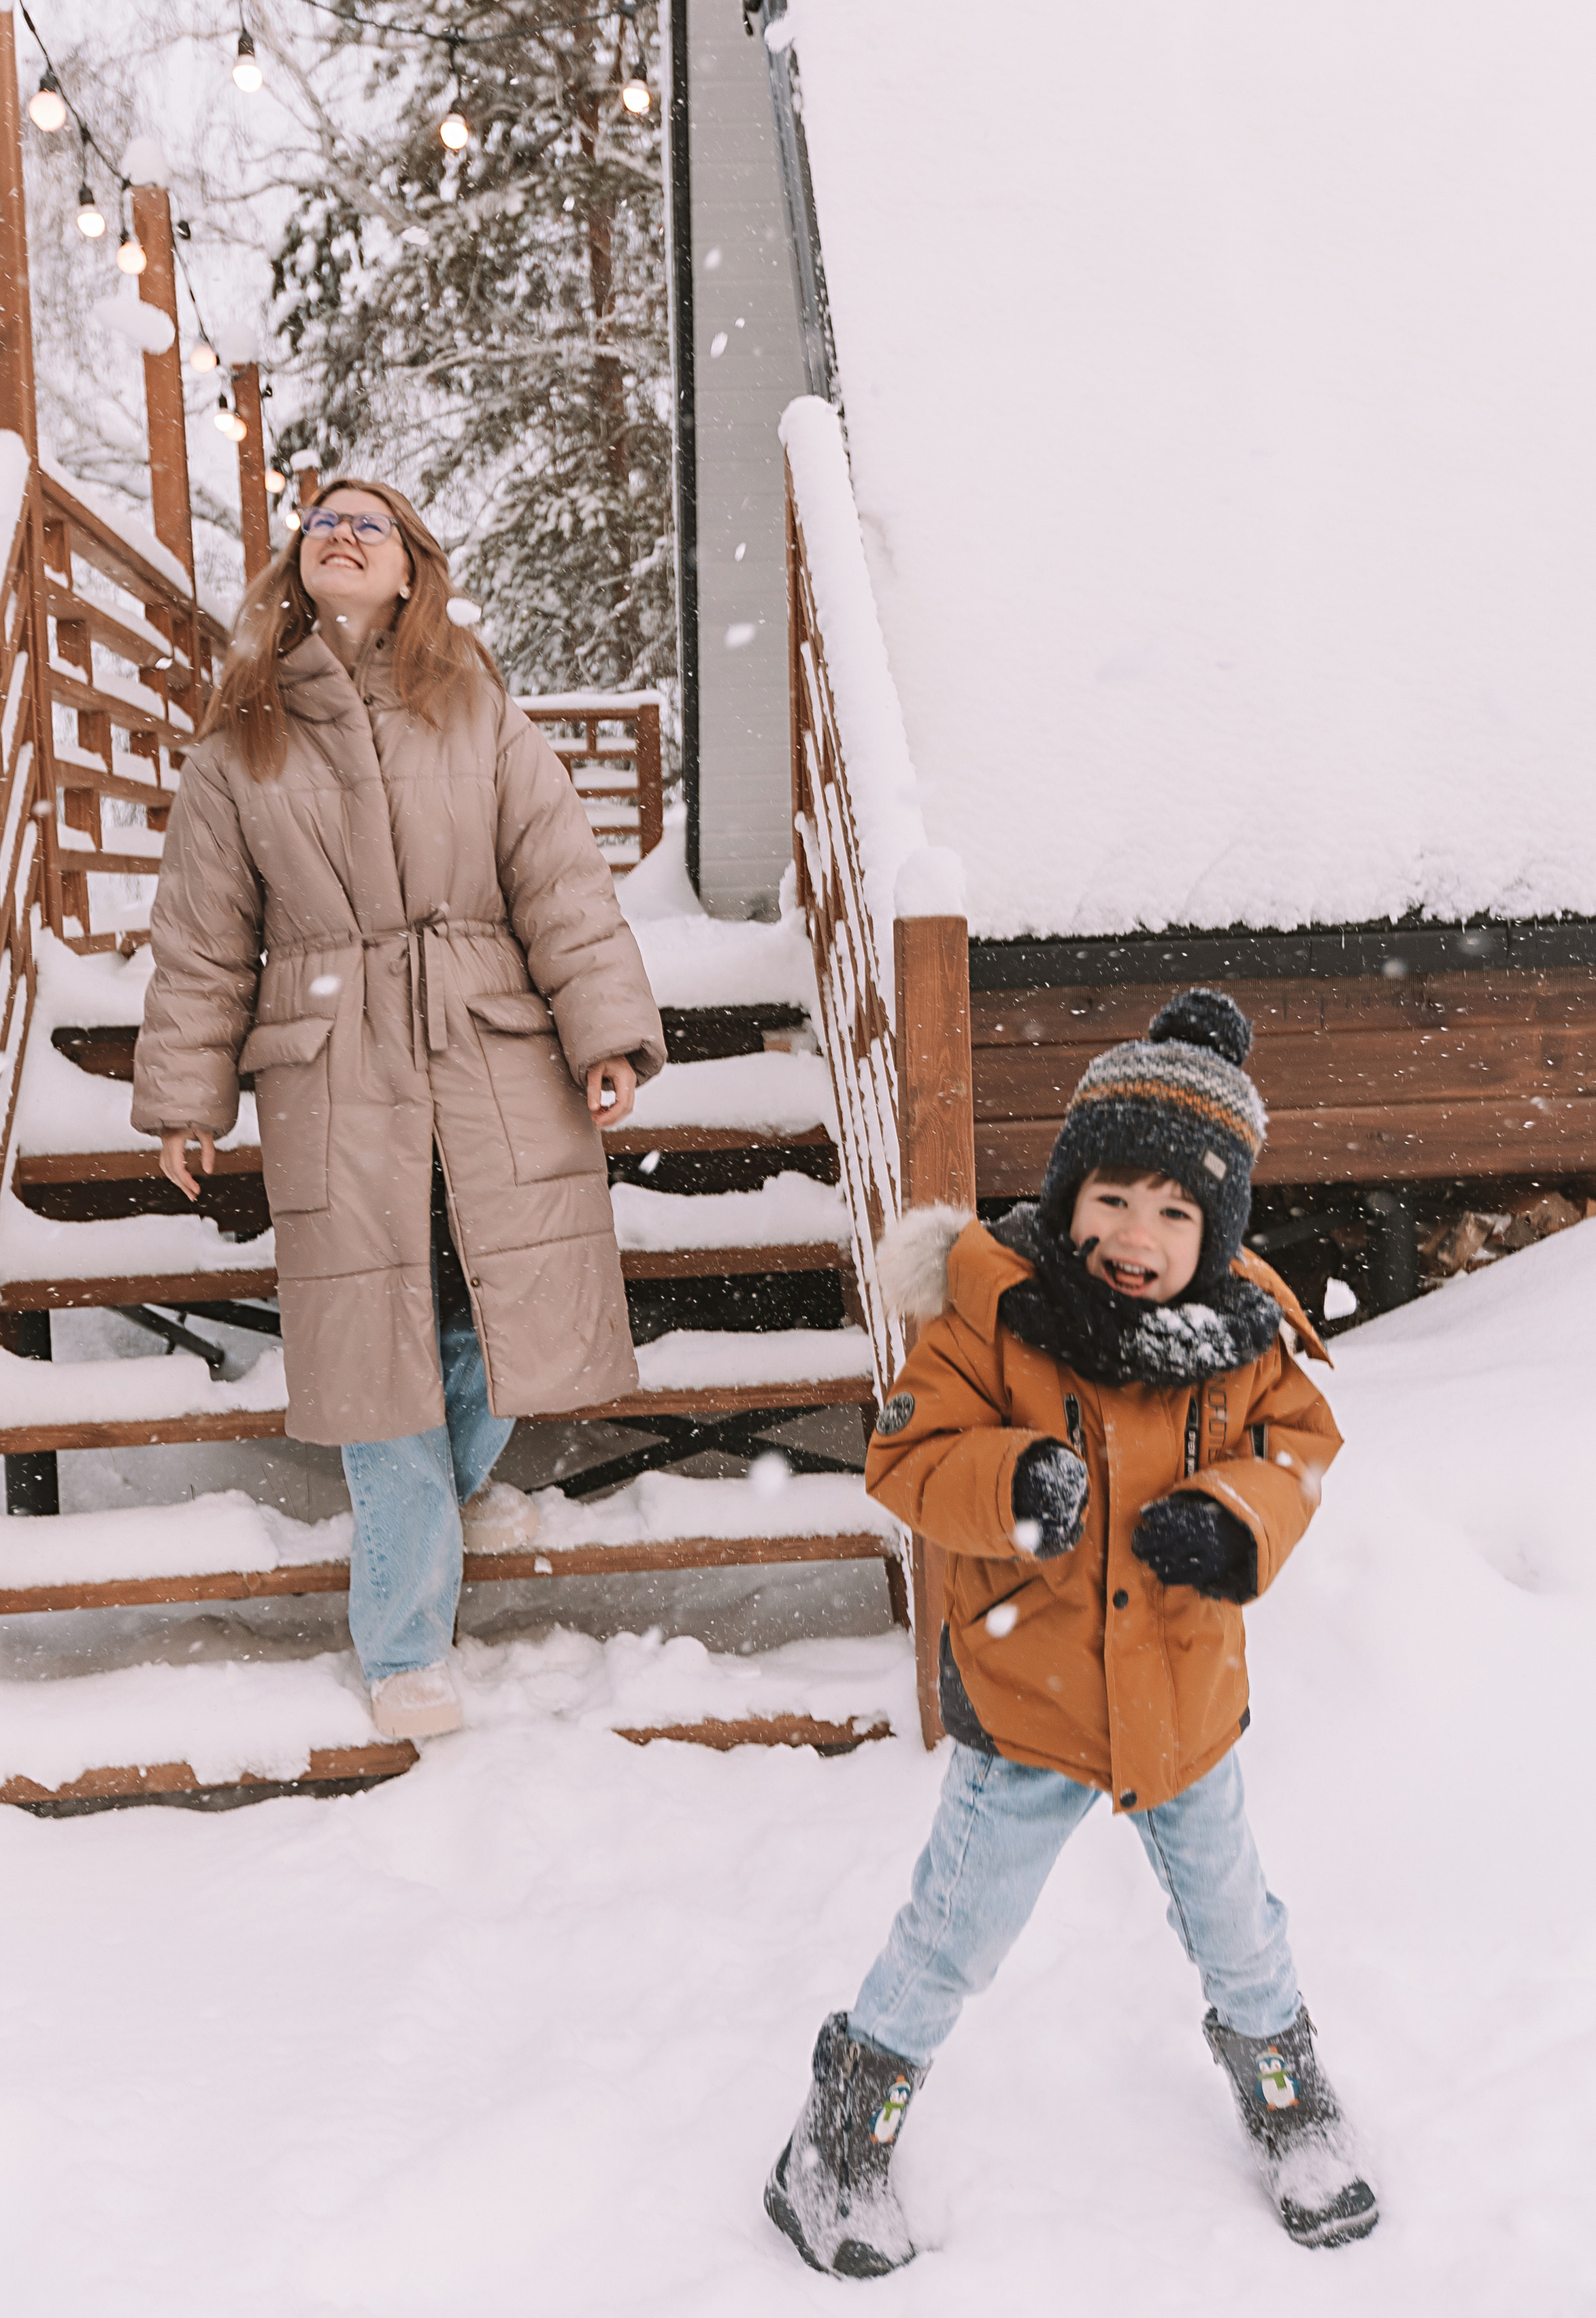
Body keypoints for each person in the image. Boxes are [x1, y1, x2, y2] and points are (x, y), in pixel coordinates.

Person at [764, 989, 1378, 2275]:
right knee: (958, 1927)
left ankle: (1289, 2096)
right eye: (1112, 1198)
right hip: (1033, 1696)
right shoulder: (995, 1309)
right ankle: (841, 2127)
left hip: (1186, 1694)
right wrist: (1012, 1482)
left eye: (1174, 1212)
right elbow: (906, 1458)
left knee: (1235, 1918)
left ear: (1216, 1231)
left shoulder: (1242, 1334)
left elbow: (1299, 1452)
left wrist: (1236, 1519)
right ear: (1067, 1190)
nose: (1136, 1237)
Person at [131, 480, 665, 1740]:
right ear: (296, 568)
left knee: (497, 1304)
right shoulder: (243, 736)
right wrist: (186, 1097)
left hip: (491, 1046)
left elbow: (563, 885)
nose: (342, 533)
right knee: (379, 1346)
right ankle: (406, 1637)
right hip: (338, 1063)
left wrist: (606, 1034)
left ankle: (456, 1492)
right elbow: (203, 942)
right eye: (321, 522)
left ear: (414, 568)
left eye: (370, 522)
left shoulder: (477, 708)